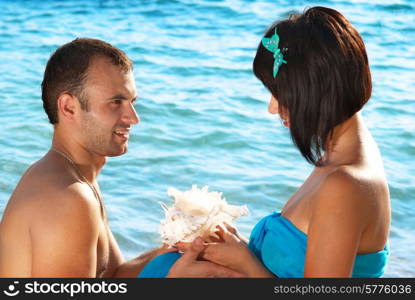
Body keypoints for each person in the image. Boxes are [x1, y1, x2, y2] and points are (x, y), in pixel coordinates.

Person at [139, 6, 391, 278]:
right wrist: (239, 247)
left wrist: (245, 263)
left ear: (313, 92)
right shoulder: (337, 160)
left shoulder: (345, 184)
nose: (272, 108)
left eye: (279, 93)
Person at [0, 38, 240, 278]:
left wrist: (176, 248)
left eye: (131, 102)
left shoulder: (75, 177)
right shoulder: (68, 197)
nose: (134, 118)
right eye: (116, 102)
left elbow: (112, 275)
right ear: (69, 107)